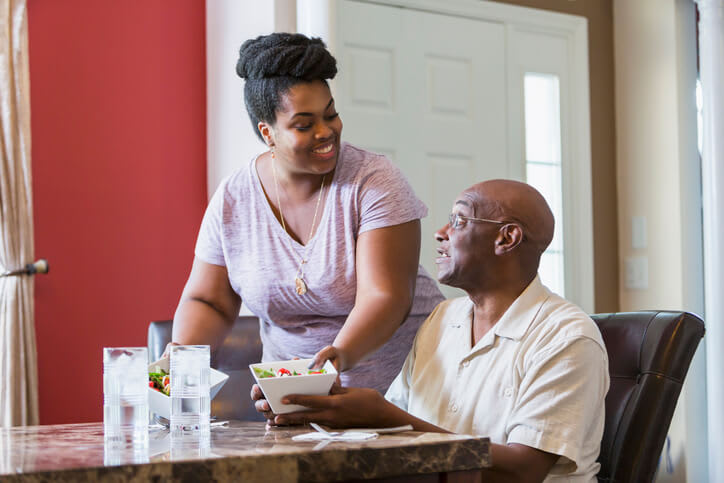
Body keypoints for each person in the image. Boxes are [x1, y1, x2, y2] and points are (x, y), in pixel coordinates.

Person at [265, 180, 610, 483]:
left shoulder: (567, 338)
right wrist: (319, 408)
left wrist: (385, 416)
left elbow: (522, 471)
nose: (440, 231)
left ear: (507, 238)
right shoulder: (442, 319)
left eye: (459, 220)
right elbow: (393, 432)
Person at [169, 32, 444, 393]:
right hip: (292, 398)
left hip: (403, 392)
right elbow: (210, 300)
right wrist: (181, 362)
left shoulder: (374, 181)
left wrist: (336, 360)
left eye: (331, 115)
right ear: (268, 132)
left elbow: (387, 297)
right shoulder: (234, 198)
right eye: (304, 124)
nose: (325, 132)